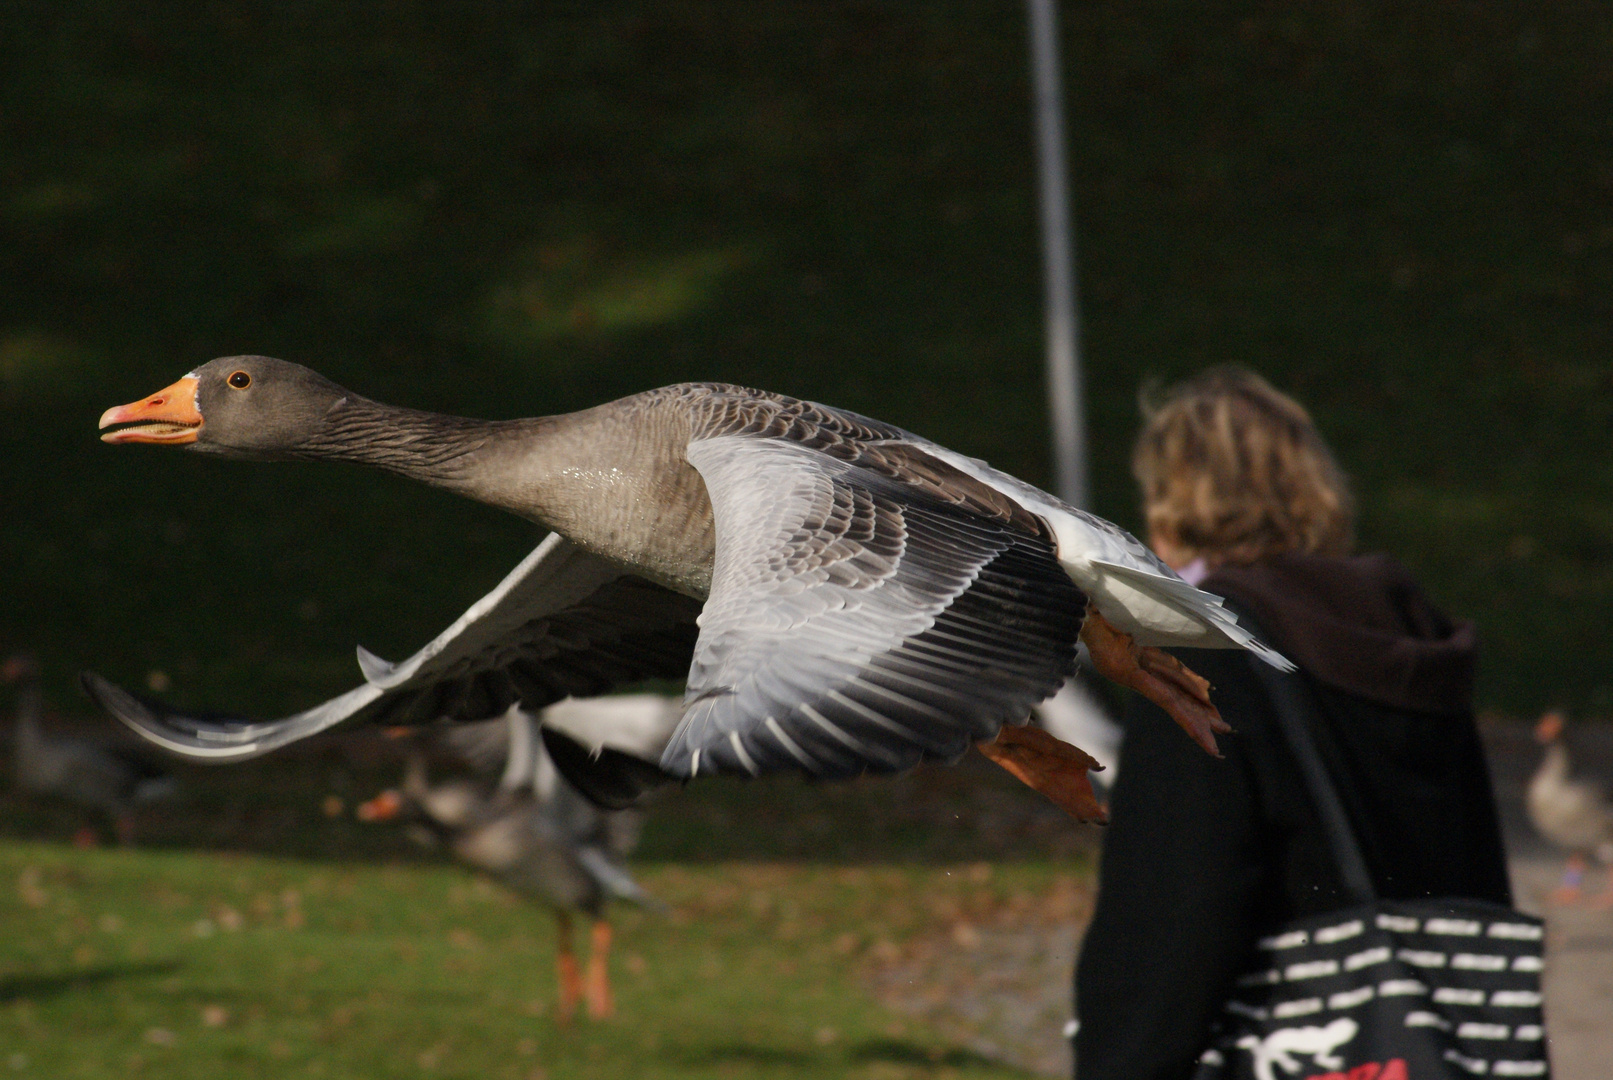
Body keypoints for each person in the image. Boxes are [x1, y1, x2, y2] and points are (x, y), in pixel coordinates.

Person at [1072, 367, 1511, 1080]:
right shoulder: (1410, 635)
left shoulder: (1205, 657)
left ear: (1168, 499)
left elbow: (1167, 924)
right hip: (1445, 1050)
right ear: (1320, 488)